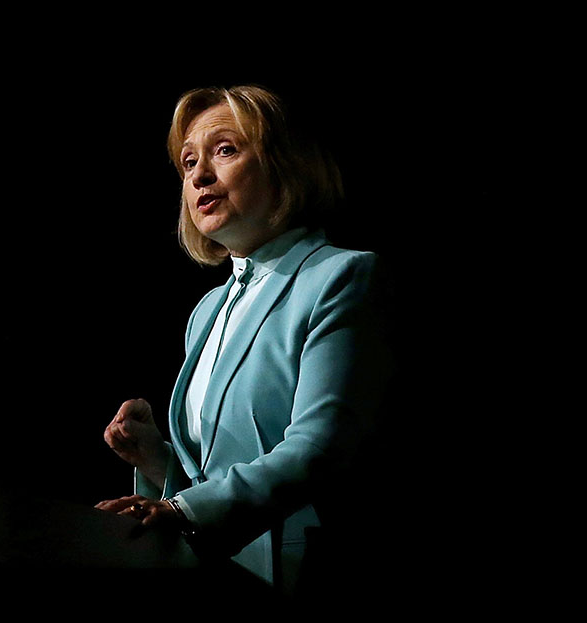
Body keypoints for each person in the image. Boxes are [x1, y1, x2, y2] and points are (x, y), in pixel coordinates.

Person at [95, 85, 394, 598]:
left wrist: (181, 510)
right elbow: (213, 472)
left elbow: (318, 447)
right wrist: (156, 461)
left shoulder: (341, 276)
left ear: (284, 165)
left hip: (305, 576)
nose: (199, 175)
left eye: (225, 150)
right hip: (214, 575)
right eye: (188, 163)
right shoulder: (206, 311)